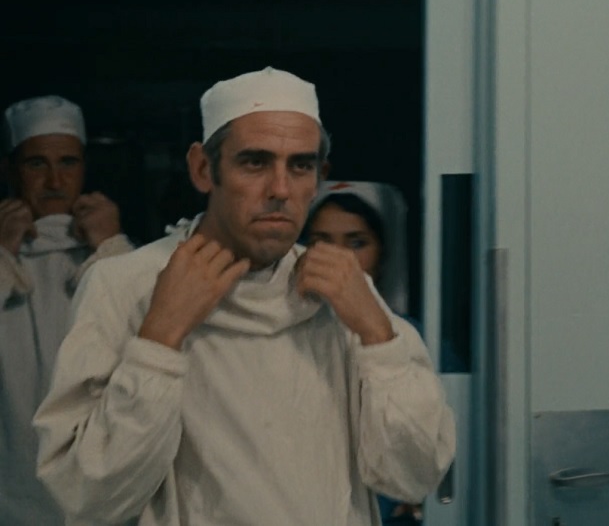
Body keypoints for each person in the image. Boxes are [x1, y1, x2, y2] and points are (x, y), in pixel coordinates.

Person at [32, 67, 456, 525]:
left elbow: (413, 476)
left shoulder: (345, 293)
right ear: (202, 168)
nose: (280, 190)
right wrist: (159, 339)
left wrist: (377, 334)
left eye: (300, 166)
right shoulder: (125, 286)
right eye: (255, 163)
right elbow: (87, 497)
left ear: (319, 177)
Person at [0, 95, 133, 525]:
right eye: (37, 164)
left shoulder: (118, 257)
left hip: (102, 495)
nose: (55, 181)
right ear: (10, 171)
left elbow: (154, 344)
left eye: (68, 163)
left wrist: (113, 250)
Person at [304, 181, 424, 525]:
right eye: (322, 241)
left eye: (357, 243)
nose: (339, 257)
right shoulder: (281, 337)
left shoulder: (413, 338)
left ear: (382, 253)